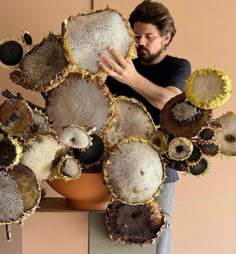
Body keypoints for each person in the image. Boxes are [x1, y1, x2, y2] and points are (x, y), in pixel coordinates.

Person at [98, 1, 191, 253]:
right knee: (116, 238)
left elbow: (169, 102)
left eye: (149, 36)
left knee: (159, 239)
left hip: (162, 170)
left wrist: (131, 78)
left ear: (166, 37)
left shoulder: (179, 66)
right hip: (118, 166)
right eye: (136, 36)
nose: (141, 42)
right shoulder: (121, 64)